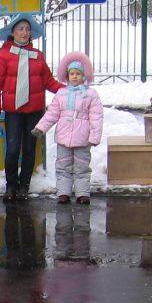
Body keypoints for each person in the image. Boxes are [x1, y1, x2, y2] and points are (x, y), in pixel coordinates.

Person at [0, 14, 63, 202]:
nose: (24, 32)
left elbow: (49, 82)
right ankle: (11, 185)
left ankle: (24, 186)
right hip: (13, 112)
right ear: (12, 33)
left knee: (29, 149)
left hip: (35, 111)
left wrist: (70, 90)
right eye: (20, 29)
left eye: (27, 29)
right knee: (13, 149)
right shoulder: (4, 55)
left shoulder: (37, 56)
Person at [31, 51, 104, 205]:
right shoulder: (61, 93)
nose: (75, 76)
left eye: (78, 73)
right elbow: (52, 113)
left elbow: (96, 117)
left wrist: (95, 136)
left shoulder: (91, 94)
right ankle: (63, 192)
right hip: (64, 138)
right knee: (63, 166)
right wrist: (41, 127)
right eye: (72, 73)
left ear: (84, 75)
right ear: (67, 75)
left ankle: (82, 193)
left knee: (81, 167)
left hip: (82, 138)